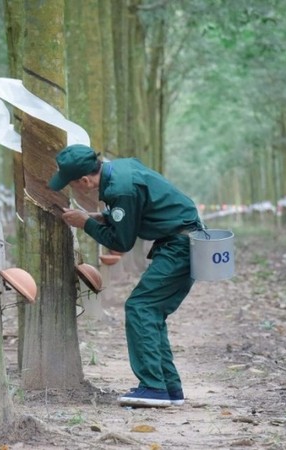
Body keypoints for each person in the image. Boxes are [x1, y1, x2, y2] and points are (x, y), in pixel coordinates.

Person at [48, 144, 202, 407]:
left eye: (71, 184)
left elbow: (121, 242)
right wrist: (103, 216)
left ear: (85, 180)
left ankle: (153, 388)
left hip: (179, 247)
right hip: (182, 241)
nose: (71, 189)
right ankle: (169, 387)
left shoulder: (120, 190)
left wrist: (86, 223)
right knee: (151, 311)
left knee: (140, 307)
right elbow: (138, 208)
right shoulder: (120, 168)